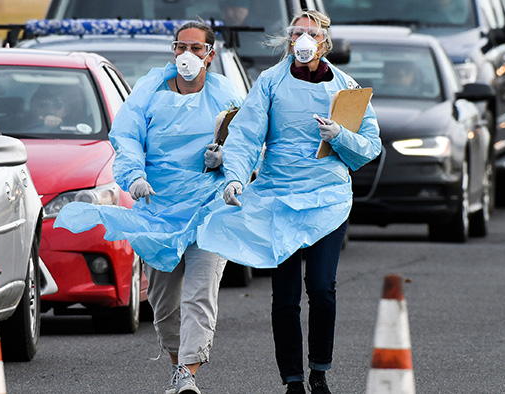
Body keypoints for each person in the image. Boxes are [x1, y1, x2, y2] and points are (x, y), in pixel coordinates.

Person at [53, 20, 242, 394]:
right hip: (157, 211)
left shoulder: (225, 96)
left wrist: (228, 164)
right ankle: (176, 363)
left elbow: (246, 141)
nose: (186, 55)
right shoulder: (150, 93)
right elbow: (127, 137)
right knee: (164, 301)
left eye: (195, 48)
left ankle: (189, 374)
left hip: (207, 211)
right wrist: (134, 176)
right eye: (179, 46)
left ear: (210, 54)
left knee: (200, 294)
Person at [197, 10, 381, 394]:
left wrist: (340, 136)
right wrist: (234, 177)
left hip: (327, 199)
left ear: (324, 41)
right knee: (285, 296)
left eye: (310, 33)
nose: (303, 39)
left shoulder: (346, 89)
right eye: (297, 32)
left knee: (322, 287)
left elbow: (369, 147)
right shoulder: (269, 83)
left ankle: (319, 371)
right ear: (288, 39)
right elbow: (247, 135)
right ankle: (293, 380)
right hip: (278, 198)